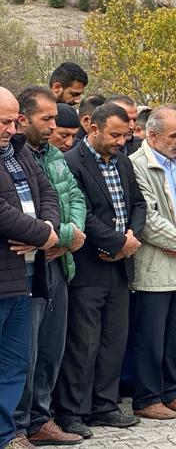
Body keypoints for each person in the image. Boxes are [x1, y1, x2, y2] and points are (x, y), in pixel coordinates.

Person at [56, 103, 146, 438]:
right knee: (84, 343)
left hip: (120, 266)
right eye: (114, 134)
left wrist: (131, 237)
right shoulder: (71, 163)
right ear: (92, 129)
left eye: (125, 134)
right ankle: (73, 411)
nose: (122, 141)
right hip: (89, 266)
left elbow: (137, 203)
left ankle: (105, 405)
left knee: (113, 339)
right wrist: (114, 243)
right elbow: (83, 214)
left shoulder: (122, 160)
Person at [13, 87, 86, 447]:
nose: (54, 125)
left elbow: (69, 198)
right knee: (23, 352)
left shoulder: (53, 156)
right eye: (47, 119)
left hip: (58, 260)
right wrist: (50, 237)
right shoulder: (16, 155)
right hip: (25, 265)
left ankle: (42, 418)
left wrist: (60, 236)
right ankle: (18, 426)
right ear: (23, 118)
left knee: (51, 347)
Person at [128, 108, 176, 420]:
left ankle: (173, 392)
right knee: (151, 339)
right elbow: (147, 218)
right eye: (173, 136)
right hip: (153, 266)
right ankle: (147, 397)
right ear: (152, 135)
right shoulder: (137, 165)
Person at [0, 87, 61, 449]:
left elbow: (48, 193)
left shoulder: (20, 153)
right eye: (3, 122)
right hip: (4, 274)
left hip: (25, 278)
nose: (10, 128)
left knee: (15, 363)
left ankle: (8, 435)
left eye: (13, 120)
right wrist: (43, 235)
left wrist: (48, 231)